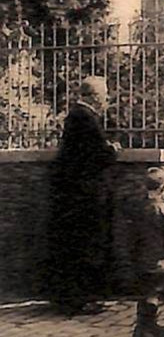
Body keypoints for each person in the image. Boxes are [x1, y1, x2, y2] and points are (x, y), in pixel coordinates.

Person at [46, 75, 120, 316]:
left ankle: (76, 297)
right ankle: (81, 299)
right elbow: (98, 154)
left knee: (78, 246)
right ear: (94, 96)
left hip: (76, 193)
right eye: (104, 94)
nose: (107, 99)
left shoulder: (79, 116)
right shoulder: (84, 118)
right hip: (84, 196)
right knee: (85, 246)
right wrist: (112, 149)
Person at [129, 168, 164, 337]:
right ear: (163, 188)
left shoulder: (138, 208)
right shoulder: (163, 210)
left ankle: (143, 326)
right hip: (158, 259)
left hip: (140, 257)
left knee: (145, 292)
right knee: (153, 293)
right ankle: (148, 328)